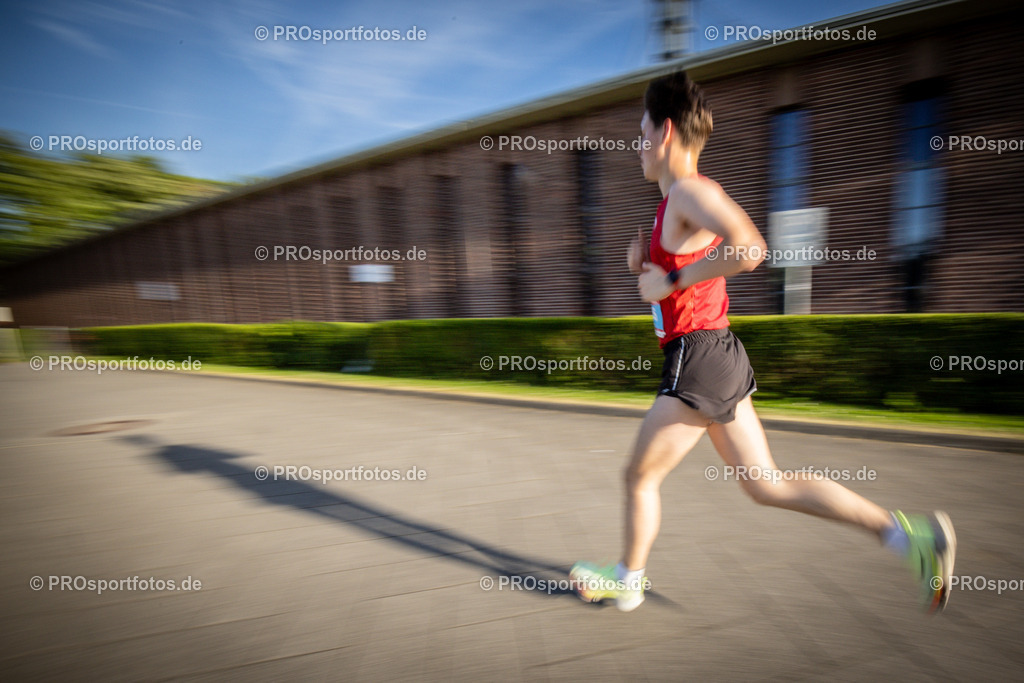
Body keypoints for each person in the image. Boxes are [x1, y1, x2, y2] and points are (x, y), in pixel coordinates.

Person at [569, 71, 955, 614]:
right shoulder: (669, 206)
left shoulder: (690, 191)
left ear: (666, 133)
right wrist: (649, 269)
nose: (636, 146)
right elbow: (676, 288)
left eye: (641, 133)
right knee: (766, 485)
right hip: (715, 355)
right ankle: (908, 535)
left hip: (700, 359)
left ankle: (627, 579)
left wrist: (672, 279)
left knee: (638, 475)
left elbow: (750, 249)